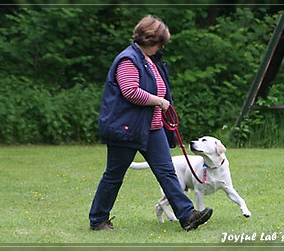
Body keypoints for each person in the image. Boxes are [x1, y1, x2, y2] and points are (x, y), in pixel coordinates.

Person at [89, 14, 213, 231]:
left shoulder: (150, 60)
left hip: (153, 128)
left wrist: (163, 108)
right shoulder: (128, 59)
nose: (161, 47)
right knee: (114, 175)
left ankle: (187, 216)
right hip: (127, 129)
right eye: (160, 42)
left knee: (167, 172)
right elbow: (130, 92)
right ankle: (98, 219)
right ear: (151, 40)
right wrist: (160, 102)